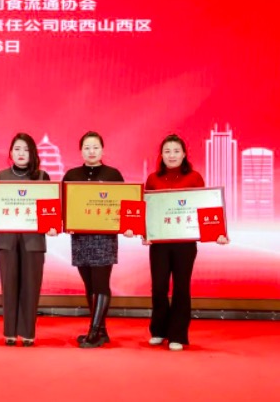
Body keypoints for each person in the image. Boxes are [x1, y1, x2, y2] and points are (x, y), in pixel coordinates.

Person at [133, 134, 229, 351]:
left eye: (176, 151)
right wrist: (144, 233)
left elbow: (205, 208)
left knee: (181, 287)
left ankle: (178, 334)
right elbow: (148, 210)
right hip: (159, 243)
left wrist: (217, 233)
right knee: (158, 287)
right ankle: (159, 330)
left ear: (184, 154)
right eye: (167, 151)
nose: (172, 155)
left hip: (185, 244)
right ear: (161, 155)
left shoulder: (194, 177)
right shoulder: (153, 179)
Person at [0, 133, 55, 347]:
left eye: (25, 149)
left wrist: (52, 225)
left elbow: (50, 209)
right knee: (9, 286)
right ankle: (9, 332)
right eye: (17, 149)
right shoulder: (1, 176)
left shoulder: (42, 177)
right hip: (7, 241)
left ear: (33, 153)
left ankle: (28, 333)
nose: (21, 153)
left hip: (34, 241)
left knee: (31, 286)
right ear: (10, 153)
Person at [63, 131, 124, 348]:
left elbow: (125, 204)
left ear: (102, 150)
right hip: (80, 238)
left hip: (104, 238)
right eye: (87, 147)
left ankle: (93, 332)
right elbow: (63, 204)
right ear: (81, 151)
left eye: (95, 147)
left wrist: (128, 225)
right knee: (89, 284)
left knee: (100, 283)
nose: (91, 151)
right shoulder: (71, 175)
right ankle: (102, 331)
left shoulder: (113, 175)